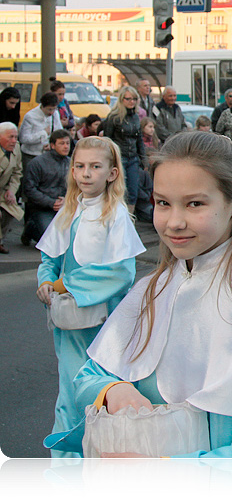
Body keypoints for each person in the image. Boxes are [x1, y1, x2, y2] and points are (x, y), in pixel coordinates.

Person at [44, 131, 232, 458]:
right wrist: (114, 390)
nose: (175, 222)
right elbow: (89, 376)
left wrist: (164, 470)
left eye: (195, 203)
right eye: (163, 203)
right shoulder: (151, 291)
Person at [34, 136, 145, 458]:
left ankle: (91, 460)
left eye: (95, 167)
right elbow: (49, 260)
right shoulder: (69, 211)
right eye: (79, 166)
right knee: (68, 390)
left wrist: (63, 285)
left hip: (102, 321)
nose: (86, 173)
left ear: (111, 173)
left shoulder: (116, 216)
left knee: (93, 391)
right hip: (67, 321)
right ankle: (66, 463)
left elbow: (121, 271)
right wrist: (45, 282)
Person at [21, 129, 71, 245]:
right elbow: (29, 189)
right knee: (50, 241)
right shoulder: (37, 163)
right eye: (62, 143)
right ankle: (31, 229)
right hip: (41, 207)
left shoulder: (71, 162)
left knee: (69, 239)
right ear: (52, 145)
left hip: (64, 206)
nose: (65, 147)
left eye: (67, 143)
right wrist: (50, 202)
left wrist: (66, 200)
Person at [102, 86, 146, 215]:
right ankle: (115, 217)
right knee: (117, 190)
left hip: (133, 158)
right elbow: (107, 140)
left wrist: (143, 159)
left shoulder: (136, 117)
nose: (131, 102)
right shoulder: (114, 117)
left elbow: (139, 140)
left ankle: (129, 220)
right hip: (118, 158)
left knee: (132, 192)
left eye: (134, 99)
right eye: (128, 99)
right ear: (122, 99)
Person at [19, 91, 62, 175]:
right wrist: (43, 133)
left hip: (48, 154)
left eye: (54, 109)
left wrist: (51, 145)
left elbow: (59, 132)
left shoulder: (55, 114)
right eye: (49, 109)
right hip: (31, 155)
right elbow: (23, 138)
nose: (52, 112)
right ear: (42, 106)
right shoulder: (30, 116)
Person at [0, 122, 24, 254]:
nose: (14, 141)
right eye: (10, 137)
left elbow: (17, 172)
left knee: (11, 210)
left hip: (3, 190)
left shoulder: (16, 148)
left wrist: (11, 191)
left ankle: (0, 239)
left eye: (16, 137)